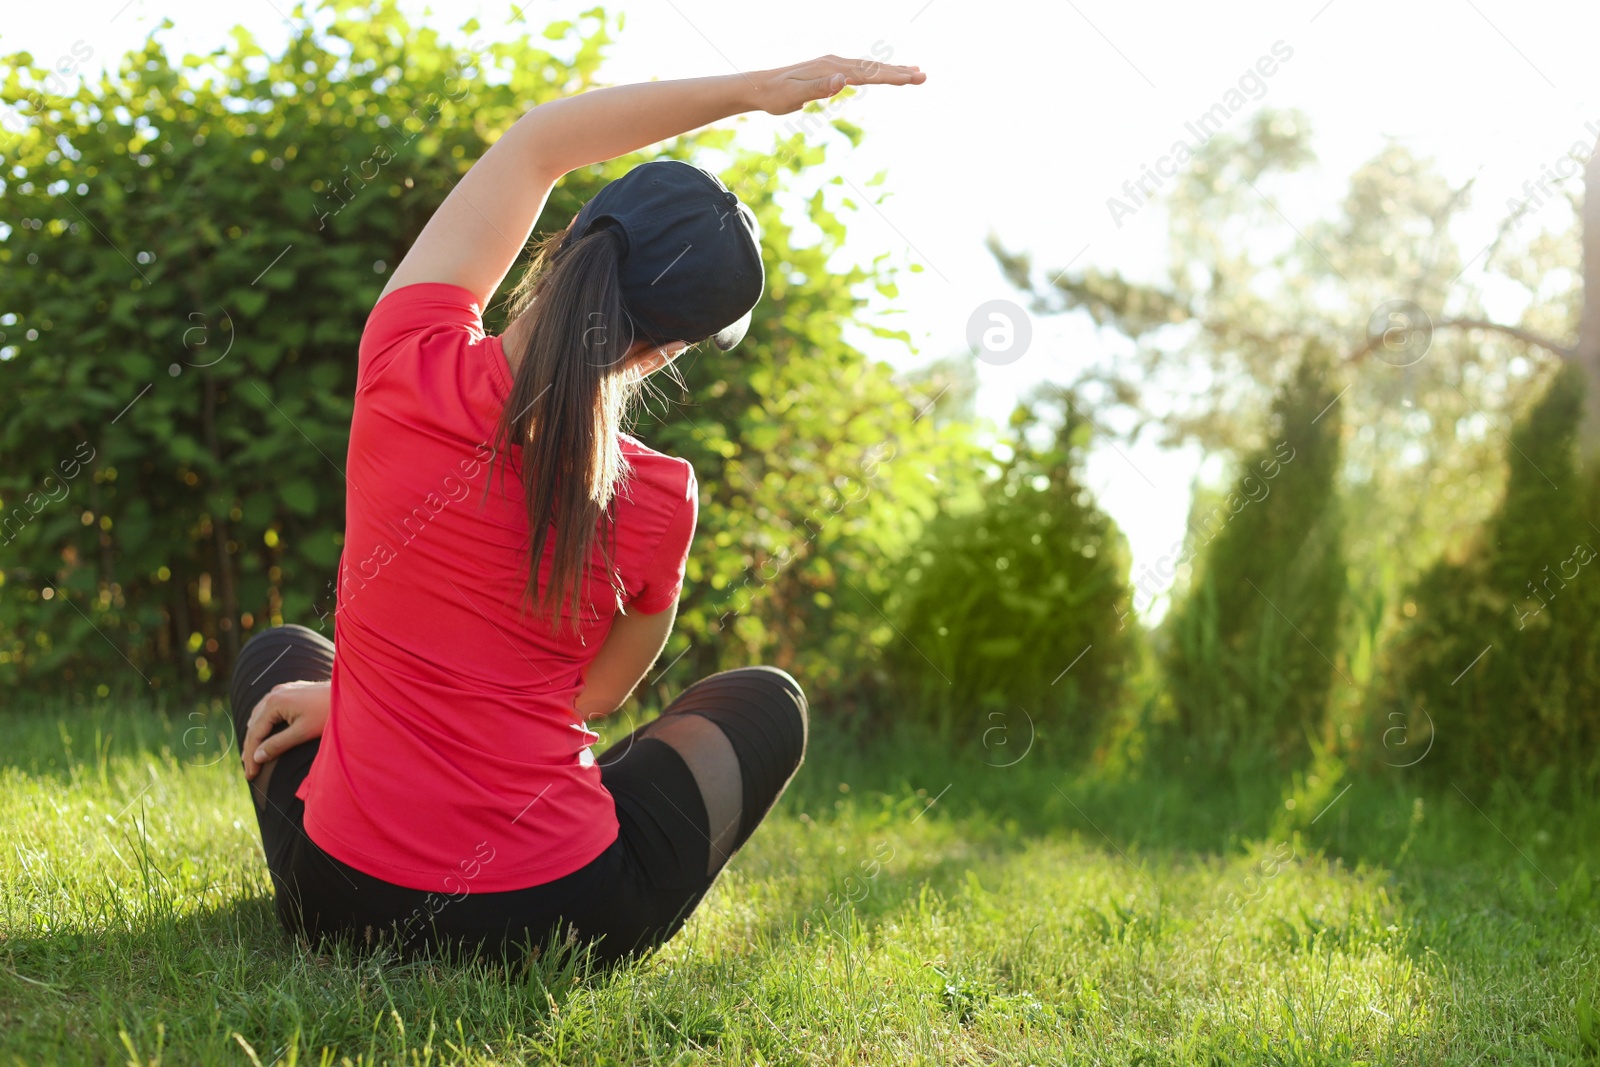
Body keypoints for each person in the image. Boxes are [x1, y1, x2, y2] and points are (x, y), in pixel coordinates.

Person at [225, 53, 927, 967]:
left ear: (567, 243)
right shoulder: (662, 497)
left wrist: (752, 92)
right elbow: (593, 694)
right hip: (554, 918)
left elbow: (538, 144)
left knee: (279, 655)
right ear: (667, 350)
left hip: (337, 900)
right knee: (768, 701)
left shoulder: (403, 360)